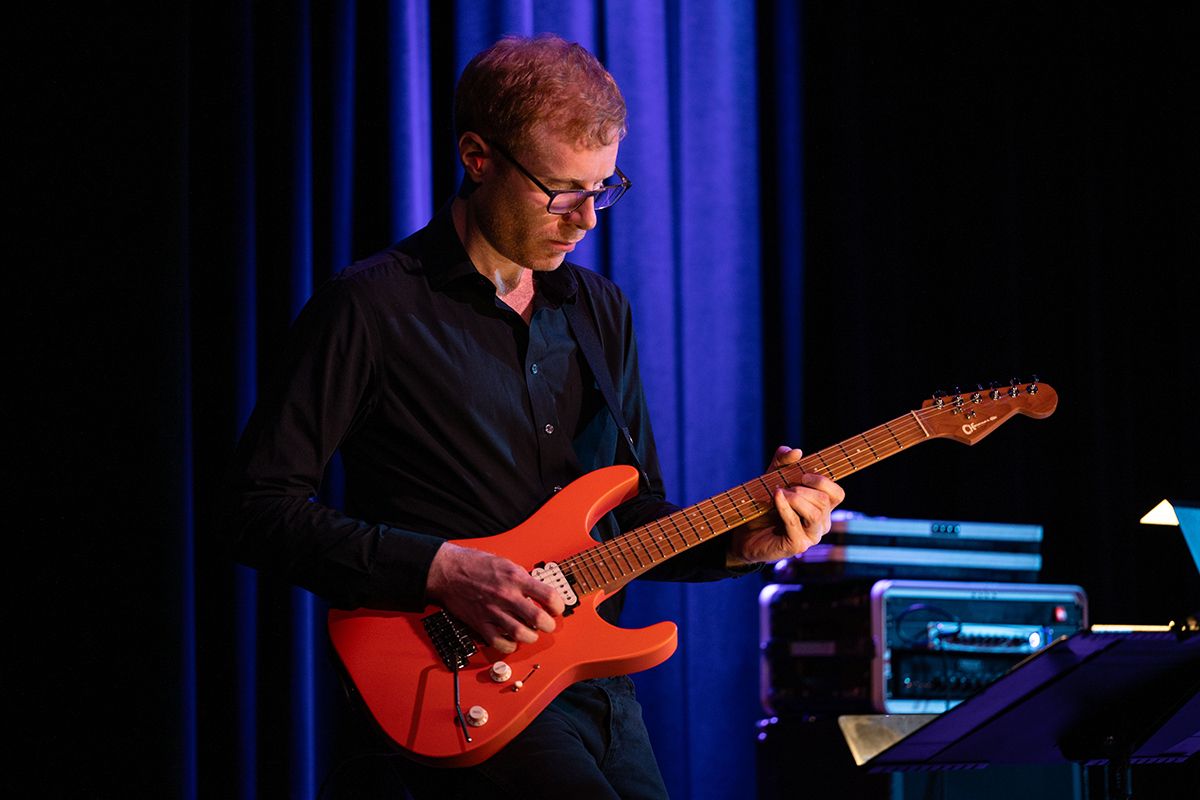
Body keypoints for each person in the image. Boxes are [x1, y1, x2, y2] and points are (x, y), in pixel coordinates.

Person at [221, 34, 844, 799]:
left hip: (594, 685)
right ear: (477, 157)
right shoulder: (370, 307)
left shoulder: (599, 310)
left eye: (603, 188)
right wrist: (441, 569)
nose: (586, 220)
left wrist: (743, 542)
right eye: (560, 190)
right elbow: (254, 509)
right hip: (455, 680)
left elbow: (632, 515)